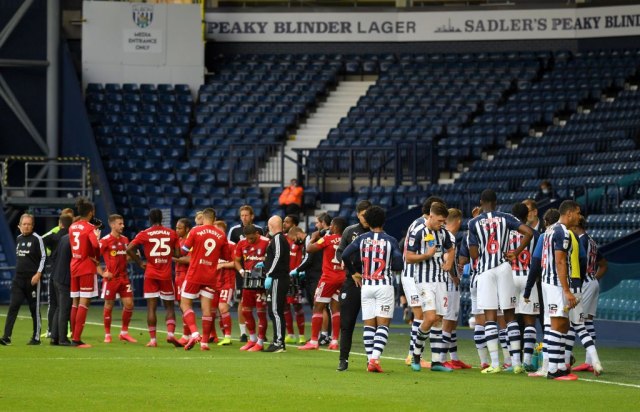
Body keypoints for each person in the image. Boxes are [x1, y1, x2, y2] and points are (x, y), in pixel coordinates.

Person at [468, 189, 533, 374]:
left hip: (485, 271)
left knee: (490, 316)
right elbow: (528, 232)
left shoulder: (474, 222)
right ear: (496, 203)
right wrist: (516, 252)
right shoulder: (506, 217)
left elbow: (474, 254)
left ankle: (495, 364)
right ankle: (517, 363)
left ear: (481, 202)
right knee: (510, 316)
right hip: (505, 268)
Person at [341, 206, 403, 373]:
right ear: (384, 221)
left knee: (369, 326)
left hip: (366, 286)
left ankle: (370, 360)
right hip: (383, 285)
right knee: (383, 324)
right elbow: (398, 264)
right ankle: (374, 359)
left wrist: (354, 272)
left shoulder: (361, 239)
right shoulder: (391, 241)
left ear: (368, 222)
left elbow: (345, 255)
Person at [538, 200, 587, 380]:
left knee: (562, 324)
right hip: (555, 284)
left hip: (547, 281)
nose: (579, 216)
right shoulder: (563, 232)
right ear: (569, 213)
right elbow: (560, 261)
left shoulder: (550, 230)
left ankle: (559, 366)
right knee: (558, 324)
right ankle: (553, 370)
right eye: (578, 213)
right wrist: (567, 290)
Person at [407, 203, 455, 373]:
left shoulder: (443, 233)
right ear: (431, 216)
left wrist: (449, 263)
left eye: (444, 221)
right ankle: (416, 355)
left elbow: (451, 249)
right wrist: (426, 255)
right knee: (430, 317)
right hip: (424, 280)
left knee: (439, 319)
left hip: (441, 280)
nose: (442, 224)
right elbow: (408, 257)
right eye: (440, 221)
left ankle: (436, 362)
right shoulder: (418, 232)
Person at [179, 208, 233, 351]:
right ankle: (204, 343)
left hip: (195, 274)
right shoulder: (221, 235)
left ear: (203, 218)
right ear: (214, 219)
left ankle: (194, 333)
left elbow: (184, 251)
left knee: (185, 304)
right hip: (210, 276)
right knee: (207, 309)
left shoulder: (195, 231)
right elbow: (227, 257)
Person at [127, 209, 181, 348]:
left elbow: (129, 248)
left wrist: (140, 262)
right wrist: (167, 253)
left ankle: (153, 340)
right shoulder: (172, 233)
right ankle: (170, 334)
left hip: (150, 273)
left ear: (150, 219)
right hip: (166, 274)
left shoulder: (144, 233)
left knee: (151, 307)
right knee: (169, 306)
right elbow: (177, 254)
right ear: (162, 219)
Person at [402, 196, 445, 368]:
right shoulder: (422, 226)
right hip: (414, 275)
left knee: (427, 316)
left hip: (417, 274)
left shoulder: (418, 223)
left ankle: (417, 355)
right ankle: (412, 355)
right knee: (421, 315)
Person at [297, 217, 347, 351]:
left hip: (328, 278)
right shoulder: (346, 240)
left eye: (331, 225)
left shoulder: (327, 239)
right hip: (342, 277)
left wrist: (313, 238)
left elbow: (309, 249)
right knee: (336, 309)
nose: (330, 227)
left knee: (317, 307)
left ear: (335, 227)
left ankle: (314, 341)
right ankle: (334, 341)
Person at [335, 200, 371, 372]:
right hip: (352, 282)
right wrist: (353, 272)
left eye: (368, 214)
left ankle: (372, 359)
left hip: (371, 282)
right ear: (357, 215)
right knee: (347, 323)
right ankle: (343, 360)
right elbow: (340, 252)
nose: (366, 218)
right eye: (363, 215)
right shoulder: (350, 231)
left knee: (372, 324)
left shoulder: (377, 232)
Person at [0, 213, 46, 346]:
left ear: (33, 226)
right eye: (24, 224)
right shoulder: (18, 238)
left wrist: (38, 274)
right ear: (19, 226)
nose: (26, 226)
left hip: (32, 280)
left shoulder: (37, 239)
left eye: (29, 224)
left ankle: (36, 338)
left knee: (34, 309)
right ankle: (6, 337)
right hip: (18, 279)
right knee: (13, 306)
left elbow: (44, 257)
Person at [572, 217, 608, 373]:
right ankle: (588, 362)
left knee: (576, 321)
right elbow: (604, 264)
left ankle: (565, 359)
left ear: (576, 225)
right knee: (587, 321)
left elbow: (579, 263)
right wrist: (593, 279)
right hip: (592, 281)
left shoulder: (580, 241)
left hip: (584, 283)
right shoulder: (591, 241)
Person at [509, 203, 541, 372]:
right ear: (526, 215)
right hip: (529, 278)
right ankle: (527, 360)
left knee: (511, 319)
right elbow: (539, 259)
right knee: (530, 321)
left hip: (511, 276)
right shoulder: (535, 234)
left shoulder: (506, 233)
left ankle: (515, 362)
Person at [227, 205, 263, 343]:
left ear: (252, 216)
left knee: (259, 301)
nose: (244, 218)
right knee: (242, 300)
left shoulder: (259, 229)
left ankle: (259, 333)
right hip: (241, 271)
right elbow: (230, 249)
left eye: (246, 215)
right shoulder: (234, 230)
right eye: (242, 215)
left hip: (257, 271)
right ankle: (243, 332)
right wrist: (239, 269)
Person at [98, 214, 136, 344]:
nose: (123, 226)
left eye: (123, 223)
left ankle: (124, 333)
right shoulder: (105, 241)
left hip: (124, 278)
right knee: (109, 304)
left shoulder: (125, 240)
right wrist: (102, 273)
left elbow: (125, 257)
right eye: (120, 224)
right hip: (111, 279)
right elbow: (93, 258)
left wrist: (133, 256)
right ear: (112, 225)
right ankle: (107, 334)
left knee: (129, 304)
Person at [68, 198, 101, 348]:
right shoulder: (89, 228)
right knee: (84, 302)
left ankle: (73, 335)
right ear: (91, 212)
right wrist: (96, 257)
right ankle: (76, 339)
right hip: (86, 266)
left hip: (74, 265)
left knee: (75, 302)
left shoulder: (72, 226)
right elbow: (95, 244)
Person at [442, 208, 472, 370]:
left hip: (443, 283)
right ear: (458, 221)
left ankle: (453, 358)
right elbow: (446, 258)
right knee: (448, 321)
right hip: (447, 284)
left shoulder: (442, 234)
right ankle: (441, 359)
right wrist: (454, 275)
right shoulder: (449, 237)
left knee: (452, 322)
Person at [234, 224, 270, 352]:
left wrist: (266, 268)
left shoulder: (267, 242)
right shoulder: (241, 243)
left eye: (252, 238)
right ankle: (252, 339)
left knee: (261, 311)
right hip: (248, 279)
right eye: (248, 238)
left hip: (262, 279)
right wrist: (241, 271)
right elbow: (236, 260)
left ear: (257, 234)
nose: (250, 241)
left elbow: (272, 259)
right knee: (246, 311)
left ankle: (260, 342)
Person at [41, 210, 74, 339]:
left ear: (60, 223)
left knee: (54, 305)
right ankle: (64, 334)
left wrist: (49, 255)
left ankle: (52, 333)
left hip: (53, 273)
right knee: (65, 306)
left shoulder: (54, 235)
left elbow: (41, 240)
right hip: (65, 275)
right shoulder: (69, 237)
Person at [261, 215, 291, 353]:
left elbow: (278, 256)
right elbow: (275, 257)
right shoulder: (278, 239)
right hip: (277, 278)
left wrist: (269, 273)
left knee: (275, 311)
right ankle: (278, 341)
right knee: (274, 311)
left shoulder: (278, 238)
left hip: (278, 278)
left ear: (271, 226)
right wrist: (265, 264)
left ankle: (279, 342)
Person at [212, 220, 236, 346]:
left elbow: (236, 263)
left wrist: (222, 265)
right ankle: (216, 336)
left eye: (218, 230)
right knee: (212, 310)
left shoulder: (231, 245)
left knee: (222, 307)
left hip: (227, 281)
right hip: (213, 282)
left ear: (223, 231)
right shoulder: (211, 245)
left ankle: (227, 337)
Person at [283, 215, 305, 344]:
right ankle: (290, 334)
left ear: (294, 225)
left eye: (287, 222)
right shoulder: (283, 238)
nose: (284, 224)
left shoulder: (302, 241)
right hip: (285, 277)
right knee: (285, 306)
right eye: (284, 221)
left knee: (297, 306)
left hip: (297, 278)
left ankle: (302, 335)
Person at [172, 218, 192, 345]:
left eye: (180, 228)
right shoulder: (178, 241)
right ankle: (189, 333)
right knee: (181, 306)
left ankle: (187, 335)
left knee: (185, 305)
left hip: (186, 275)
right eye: (176, 228)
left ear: (187, 229)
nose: (177, 230)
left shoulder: (189, 242)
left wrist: (173, 258)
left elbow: (190, 259)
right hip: (178, 275)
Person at [51, 232, 72, 346]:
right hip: (65, 278)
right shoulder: (74, 240)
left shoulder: (64, 238)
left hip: (56, 276)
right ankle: (62, 339)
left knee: (59, 307)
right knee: (64, 309)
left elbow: (53, 256)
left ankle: (54, 337)